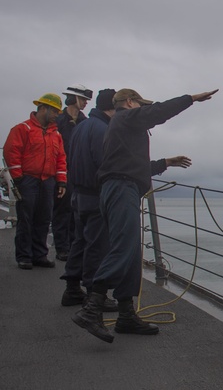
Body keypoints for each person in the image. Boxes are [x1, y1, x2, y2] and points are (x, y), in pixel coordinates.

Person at [73, 87, 217, 343]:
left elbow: (132, 164)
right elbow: (159, 112)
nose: (143, 109)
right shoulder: (125, 117)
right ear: (129, 102)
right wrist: (190, 99)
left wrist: (165, 163)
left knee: (130, 253)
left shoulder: (119, 127)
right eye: (141, 104)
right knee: (122, 249)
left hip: (117, 188)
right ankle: (91, 308)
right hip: (121, 189)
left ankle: (126, 314)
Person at [60, 88, 191, 310]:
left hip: (78, 194)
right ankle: (95, 298)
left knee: (80, 242)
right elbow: (115, 165)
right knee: (100, 246)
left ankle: (72, 288)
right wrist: (160, 165)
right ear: (115, 106)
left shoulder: (81, 127)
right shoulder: (106, 129)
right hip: (101, 194)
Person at [3, 93, 68, 269]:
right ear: (43, 108)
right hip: (28, 180)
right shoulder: (22, 129)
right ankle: (24, 256)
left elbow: (61, 158)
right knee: (26, 218)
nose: (56, 115)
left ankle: (39, 254)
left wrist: (61, 181)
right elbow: (11, 153)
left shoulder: (56, 135)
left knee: (44, 219)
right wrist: (19, 178)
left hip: (48, 181)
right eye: (54, 111)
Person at [52, 84, 92, 261]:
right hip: (60, 171)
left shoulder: (84, 121)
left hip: (77, 172)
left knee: (75, 211)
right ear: (73, 99)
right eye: (82, 99)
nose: (85, 103)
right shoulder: (58, 121)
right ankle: (61, 247)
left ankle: (72, 245)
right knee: (62, 211)